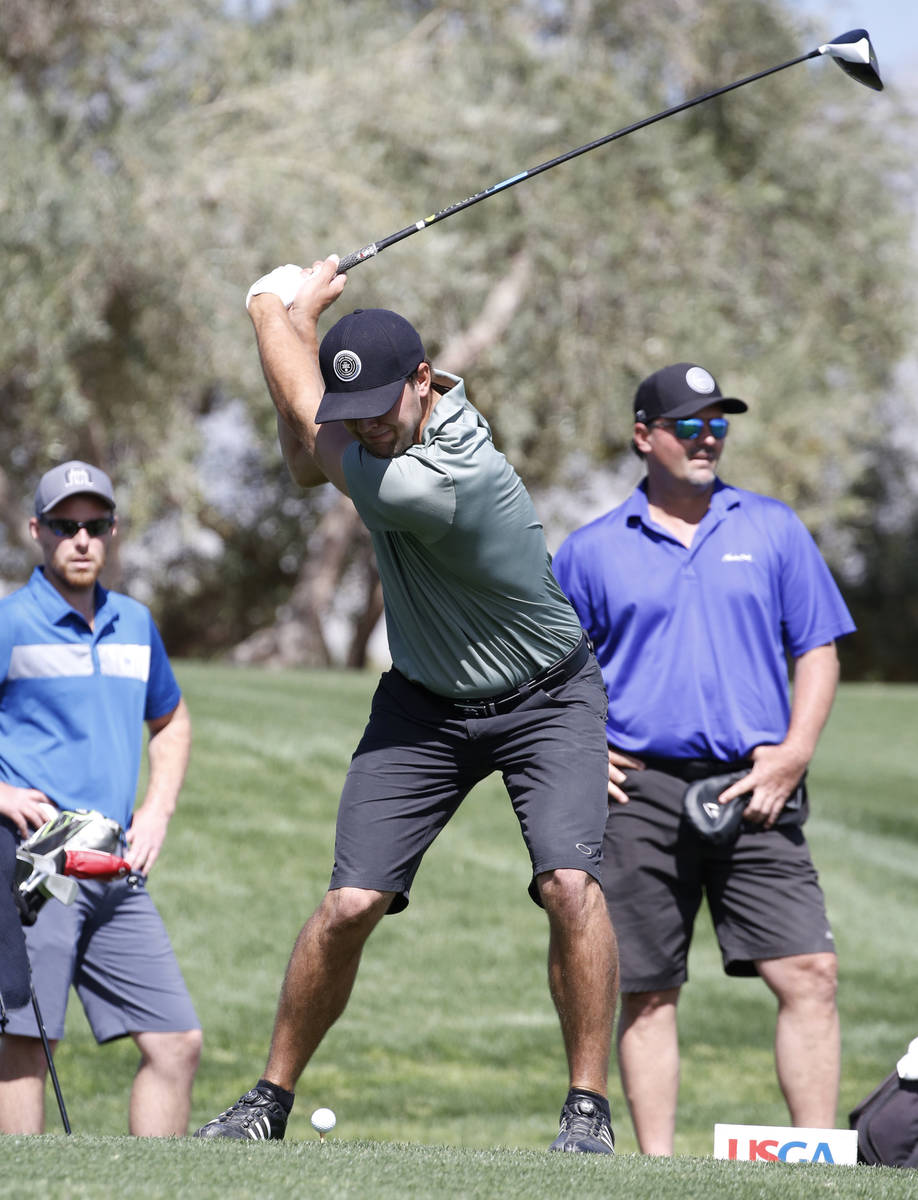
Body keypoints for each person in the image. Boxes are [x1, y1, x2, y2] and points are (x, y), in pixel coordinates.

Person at [194, 256, 618, 1152]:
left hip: (548, 696)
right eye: (359, 417)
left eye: (384, 409)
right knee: (349, 903)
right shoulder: (378, 438)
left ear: (425, 382)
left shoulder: (449, 480)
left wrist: (273, 308)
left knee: (568, 885)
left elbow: (313, 439)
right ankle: (267, 1101)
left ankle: (587, 1112)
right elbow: (313, 449)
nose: (373, 431)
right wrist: (302, 337)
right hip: (424, 703)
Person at [552, 362, 855, 1155]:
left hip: (758, 785)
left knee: (810, 975)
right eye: (688, 425)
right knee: (647, 992)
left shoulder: (773, 528)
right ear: (643, 436)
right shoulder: (588, 552)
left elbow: (817, 651)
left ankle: (815, 1165)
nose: (707, 438)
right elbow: (550, 675)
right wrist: (585, 753)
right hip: (638, 795)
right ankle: (658, 1170)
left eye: (719, 423)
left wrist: (795, 752)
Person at [0, 460, 201, 1136]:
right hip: (36, 869)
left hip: (117, 868)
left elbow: (170, 720)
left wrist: (156, 809)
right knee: (27, 1046)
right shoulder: (11, 622)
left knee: (176, 1044)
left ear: (112, 531)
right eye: (65, 526)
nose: (81, 539)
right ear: (38, 531)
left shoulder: (135, 623)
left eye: (95, 525)